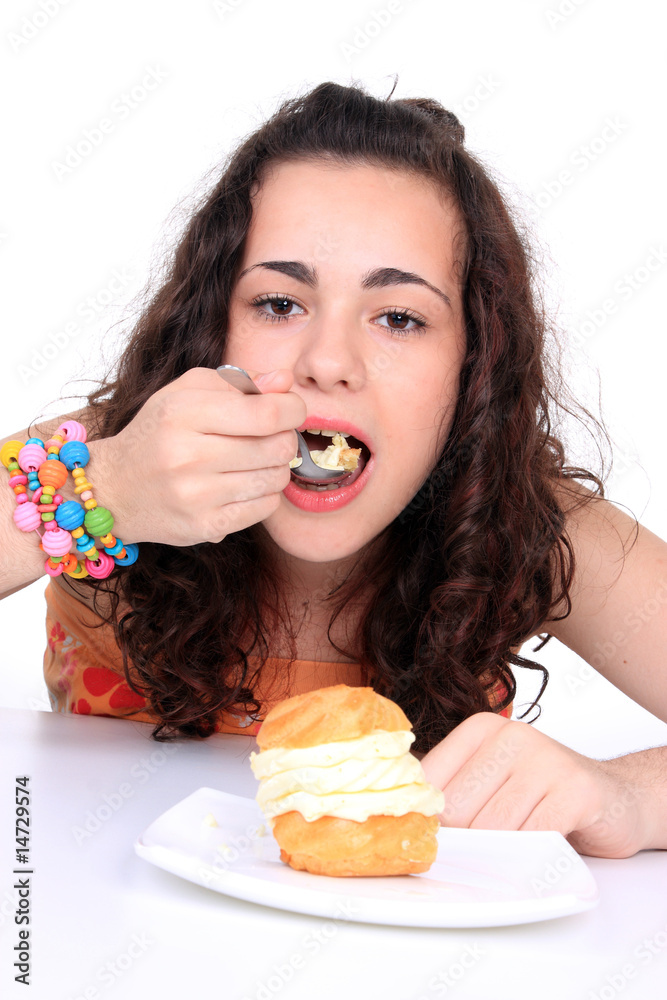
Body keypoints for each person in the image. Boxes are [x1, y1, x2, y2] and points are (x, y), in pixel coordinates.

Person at [1, 80, 665, 860]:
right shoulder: (100, 464)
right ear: (212, 326)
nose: (327, 361)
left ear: (471, 366)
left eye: (399, 318)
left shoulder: (525, 519)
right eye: (279, 304)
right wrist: (104, 491)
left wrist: (630, 799)